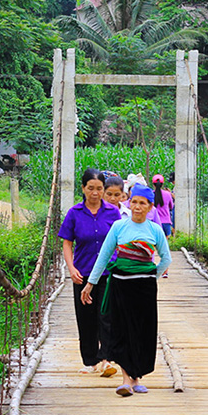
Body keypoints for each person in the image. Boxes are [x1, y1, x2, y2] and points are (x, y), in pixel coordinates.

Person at [81, 184, 171, 396]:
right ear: (129, 203)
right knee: (122, 330)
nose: (137, 207)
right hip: (120, 286)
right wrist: (90, 283)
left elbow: (166, 258)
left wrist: (151, 277)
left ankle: (137, 376)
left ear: (150, 207)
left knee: (142, 331)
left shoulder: (154, 230)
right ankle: (125, 380)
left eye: (142, 203)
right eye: (134, 202)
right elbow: (103, 256)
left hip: (145, 289)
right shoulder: (119, 227)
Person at [58, 168, 121, 377]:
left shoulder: (113, 212)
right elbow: (67, 243)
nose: (95, 193)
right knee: (86, 318)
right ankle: (91, 360)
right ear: (83, 188)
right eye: (91, 188)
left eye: (99, 189)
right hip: (82, 272)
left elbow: (121, 241)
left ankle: (106, 359)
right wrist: (71, 267)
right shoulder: (74, 214)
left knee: (107, 315)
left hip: (107, 273)